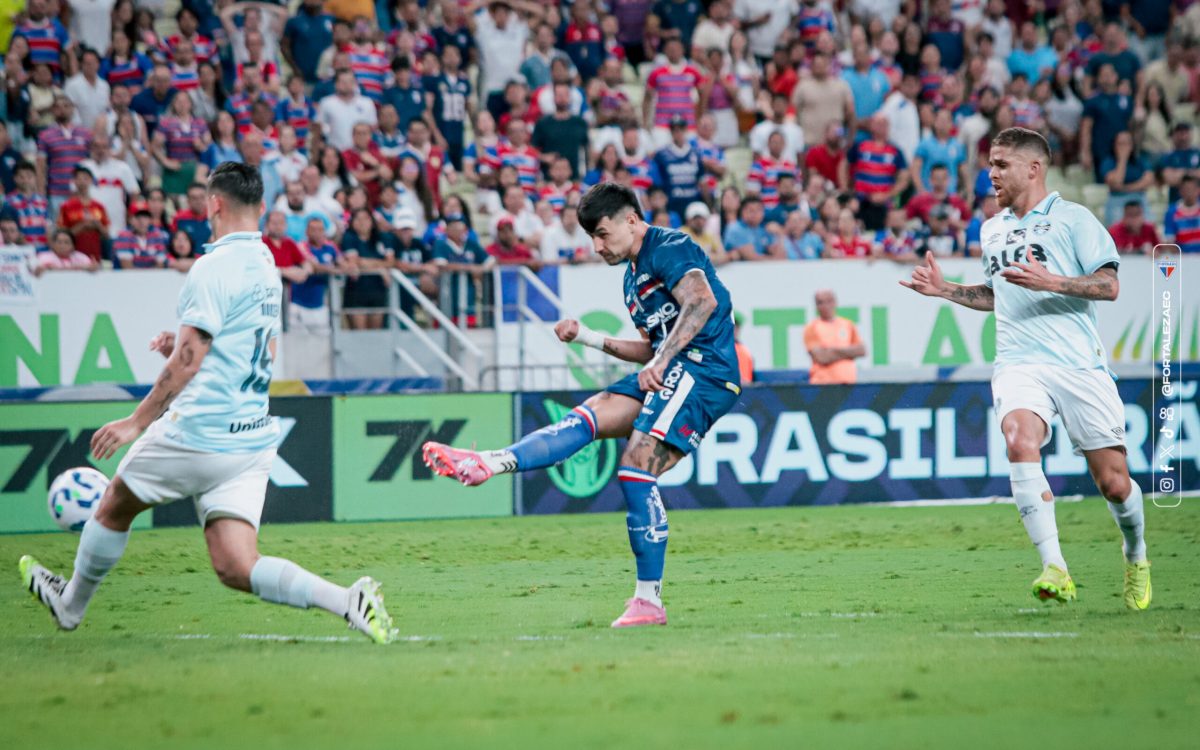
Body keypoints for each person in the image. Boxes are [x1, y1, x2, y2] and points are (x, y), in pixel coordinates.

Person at [19, 162, 395, 643]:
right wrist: (182, 348)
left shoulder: (213, 266)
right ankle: (347, 600)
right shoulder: (265, 263)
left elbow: (188, 362)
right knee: (236, 565)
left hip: (200, 432)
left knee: (113, 504)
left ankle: (70, 605)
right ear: (261, 206)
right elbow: (256, 346)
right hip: (250, 440)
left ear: (214, 203)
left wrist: (136, 421)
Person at [422, 182, 742, 629]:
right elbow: (651, 347)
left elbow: (702, 301)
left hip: (705, 371)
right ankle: (489, 462)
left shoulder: (670, 247)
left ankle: (648, 601)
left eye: (602, 234)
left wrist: (661, 361)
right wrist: (588, 337)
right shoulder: (632, 279)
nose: (596, 246)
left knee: (636, 467)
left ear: (631, 220)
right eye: (591, 237)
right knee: (589, 415)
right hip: (672, 369)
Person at [900, 127, 1151, 610]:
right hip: (1018, 361)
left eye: (1001, 164)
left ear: (1033, 168)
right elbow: (999, 294)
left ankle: (1136, 554)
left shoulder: (1073, 219)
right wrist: (946, 290)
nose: (991, 174)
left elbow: (1109, 286)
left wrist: (1051, 280)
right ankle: (1055, 567)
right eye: (989, 164)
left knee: (1115, 484)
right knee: (1018, 439)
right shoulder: (991, 229)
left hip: (1078, 365)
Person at [56, 167, 109, 263]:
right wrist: (82, 226)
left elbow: (106, 234)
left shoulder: (99, 206)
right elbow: (62, 235)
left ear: (91, 181)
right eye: (79, 179)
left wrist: (97, 225)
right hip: (73, 258)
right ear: (74, 181)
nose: (82, 182)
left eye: (85, 178)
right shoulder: (66, 206)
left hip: (95, 256)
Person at [1162, 175, 1200, 255]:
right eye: (1186, 189)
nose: (1189, 193)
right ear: (1180, 191)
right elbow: (1169, 241)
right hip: (1182, 257)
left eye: (1192, 189)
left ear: (1198, 190)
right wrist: (1183, 257)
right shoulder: (1171, 212)